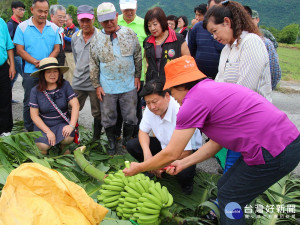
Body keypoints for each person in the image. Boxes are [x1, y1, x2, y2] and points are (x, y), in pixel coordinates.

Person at [123, 56, 300, 225]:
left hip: (274, 149)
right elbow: (215, 143)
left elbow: (172, 152)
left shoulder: (192, 103)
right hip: (286, 142)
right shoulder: (212, 89)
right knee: (224, 186)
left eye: (171, 90)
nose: (173, 96)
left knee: (231, 198)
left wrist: (139, 167)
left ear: (181, 85)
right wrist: (184, 164)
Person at [203, 1, 272, 174]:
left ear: (227, 22)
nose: (214, 37)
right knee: (230, 170)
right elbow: (219, 83)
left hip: (250, 123)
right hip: (234, 121)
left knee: (239, 172)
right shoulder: (228, 49)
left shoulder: (251, 43)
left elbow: (245, 91)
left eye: (215, 31)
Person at [126, 80, 202, 195]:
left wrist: (157, 164)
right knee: (132, 145)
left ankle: (186, 187)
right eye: (148, 103)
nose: (152, 107)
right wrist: (148, 155)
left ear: (167, 96)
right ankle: (151, 170)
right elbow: (143, 131)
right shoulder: (150, 109)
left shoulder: (180, 111)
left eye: (155, 102)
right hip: (164, 146)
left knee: (183, 172)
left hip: (184, 152)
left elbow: (186, 152)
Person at [90, 2, 142, 155]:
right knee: (108, 118)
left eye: (111, 19)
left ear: (117, 16)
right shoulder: (97, 39)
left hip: (128, 85)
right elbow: (93, 64)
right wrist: (97, 85)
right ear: (100, 21)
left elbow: (138, 56)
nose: (109, 23)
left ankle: (126, 141)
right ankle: (112, 142)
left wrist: (138, 75)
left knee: (131, 117)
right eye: (105, 21)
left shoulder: (129, 33)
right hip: (107, 87)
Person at [13, 0, 61, 132]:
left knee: (50, 100)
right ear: (32, 10)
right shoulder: (22, 27)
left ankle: (49, 129)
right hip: (30, 71)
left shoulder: (53, 28)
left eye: (46, 11)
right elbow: (20, 50)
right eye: (40, 11)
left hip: (49, 71)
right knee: (29, 101)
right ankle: (29, 131)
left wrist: (46, 63)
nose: (43, 14)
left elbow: (57, 48)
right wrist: (35, 62)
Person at [29, 57, 79, 155]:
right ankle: (45, 152)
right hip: (44, 124)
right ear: (43, 75)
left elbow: (76, 105)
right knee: (43, 146)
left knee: (67, 137)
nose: (52, 75)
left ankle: (63, 146)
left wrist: (71, 126)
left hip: (61, 122)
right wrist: (48, 132)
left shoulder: (65, 85)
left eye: (55, 71)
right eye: (48, 72)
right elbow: (34, 116)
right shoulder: (35, 91)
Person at [71, 5, 102, 141]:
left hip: (96, 83)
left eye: (87, 20)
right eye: (82, 21)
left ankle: (96, 138)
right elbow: (77, 58)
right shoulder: (74, 37)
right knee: (73, 109)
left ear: (93, 19)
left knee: (98, 112)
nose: (85, 24)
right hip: (78, 81)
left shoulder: (101, 36)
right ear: (78, 21)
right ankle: (73, 136)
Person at [117, 0, 147, 139]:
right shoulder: (114, 22)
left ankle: (133, 137)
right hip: (117, 75)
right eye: (125, 9)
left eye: (131, 9)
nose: (129, 12)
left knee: (135, 108)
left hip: (137, 75)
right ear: (120, 9)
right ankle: (117, 135)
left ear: (136, 7)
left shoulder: (144, 24)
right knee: (117, 107)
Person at [143, 7, 190, 84]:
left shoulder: (178, 39)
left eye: (155, 24)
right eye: (149, 25)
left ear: (162, 22)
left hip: (173, 83)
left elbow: (187, 61)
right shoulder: (147, 42)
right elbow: (149, 63)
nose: (152, 28)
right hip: (153, 84)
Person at [244, 7, 281, 90]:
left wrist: (269, 87)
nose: (249, 21)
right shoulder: (238, 37)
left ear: (257, 20)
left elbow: (274, 68)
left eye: (252, 19)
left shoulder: (266, 35)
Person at [188, 0, 224, 79]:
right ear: (208, 9)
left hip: (220, 79)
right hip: (199, 78)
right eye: (214, 8)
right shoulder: (197, 27)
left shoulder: (227, 29)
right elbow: (191, 52)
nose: (218, 12)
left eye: (221, 9)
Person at [7, 1, 25, 102]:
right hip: (15, 55)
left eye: (23, 10)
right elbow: (8, 41)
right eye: (20, 9)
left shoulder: (21, 24)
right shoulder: (10, 24)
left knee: (13, 77)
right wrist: (19, 43)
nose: (22, 12)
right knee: (26, 75)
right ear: (13, 9)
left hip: (20, 53)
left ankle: (7, 97)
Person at [0, 18, 16, 137]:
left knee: (5, 97)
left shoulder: (1, 22)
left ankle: (5, 130)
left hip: (2, 66)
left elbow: (9, 46)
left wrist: (12, 66)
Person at [63, 14, 79, 84]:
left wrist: (65, 37)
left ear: (71, 20)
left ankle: (74, 86)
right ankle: (66, 85)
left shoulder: (76, 29)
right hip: (64, 52)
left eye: (67, 20)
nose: (65, 22)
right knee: (65, 70)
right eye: (64, 21)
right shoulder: (64, 29)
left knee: (72, 69)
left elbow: (75, 40)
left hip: (71, 53)